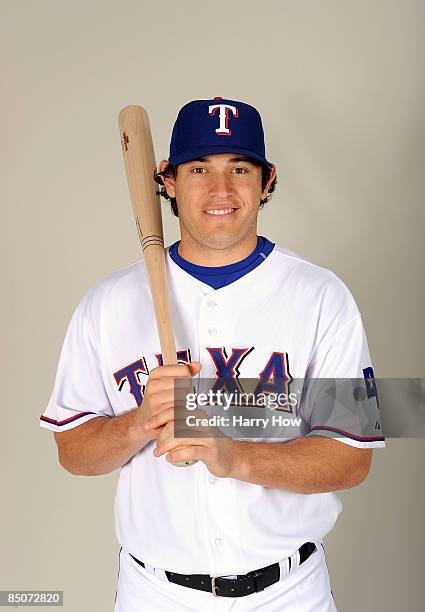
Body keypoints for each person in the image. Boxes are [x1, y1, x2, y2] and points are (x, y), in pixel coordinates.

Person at [40, 96, 385, 611]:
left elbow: (352, 458)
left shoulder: (320, 295)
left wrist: (234, 455)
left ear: (266, 181)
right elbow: (73, 452)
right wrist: (141, 421)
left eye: (239, 168)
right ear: (168, 181)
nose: (220, 190)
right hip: (154, 594)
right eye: (199, 168)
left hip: (288, 593)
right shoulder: (107, 303)